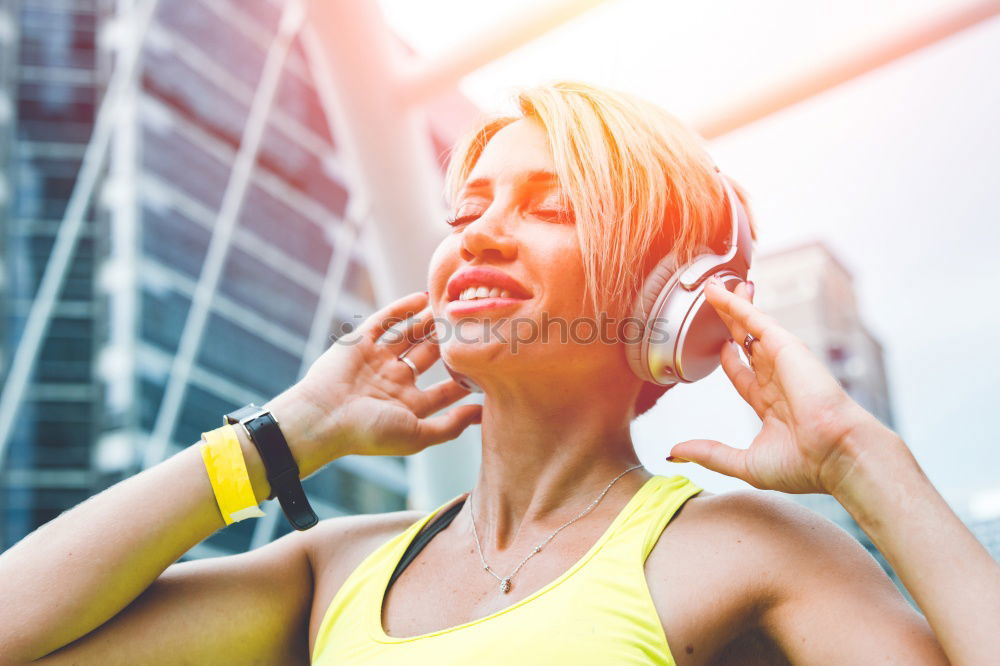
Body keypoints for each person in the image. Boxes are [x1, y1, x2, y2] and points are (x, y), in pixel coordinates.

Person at [1, 81, 996, 665]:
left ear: (669, 310)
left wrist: (856, 456)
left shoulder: (751, 552)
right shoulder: (335, 567)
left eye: (551, 208)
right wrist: (280, 439)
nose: (479, 233)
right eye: (466, 210)